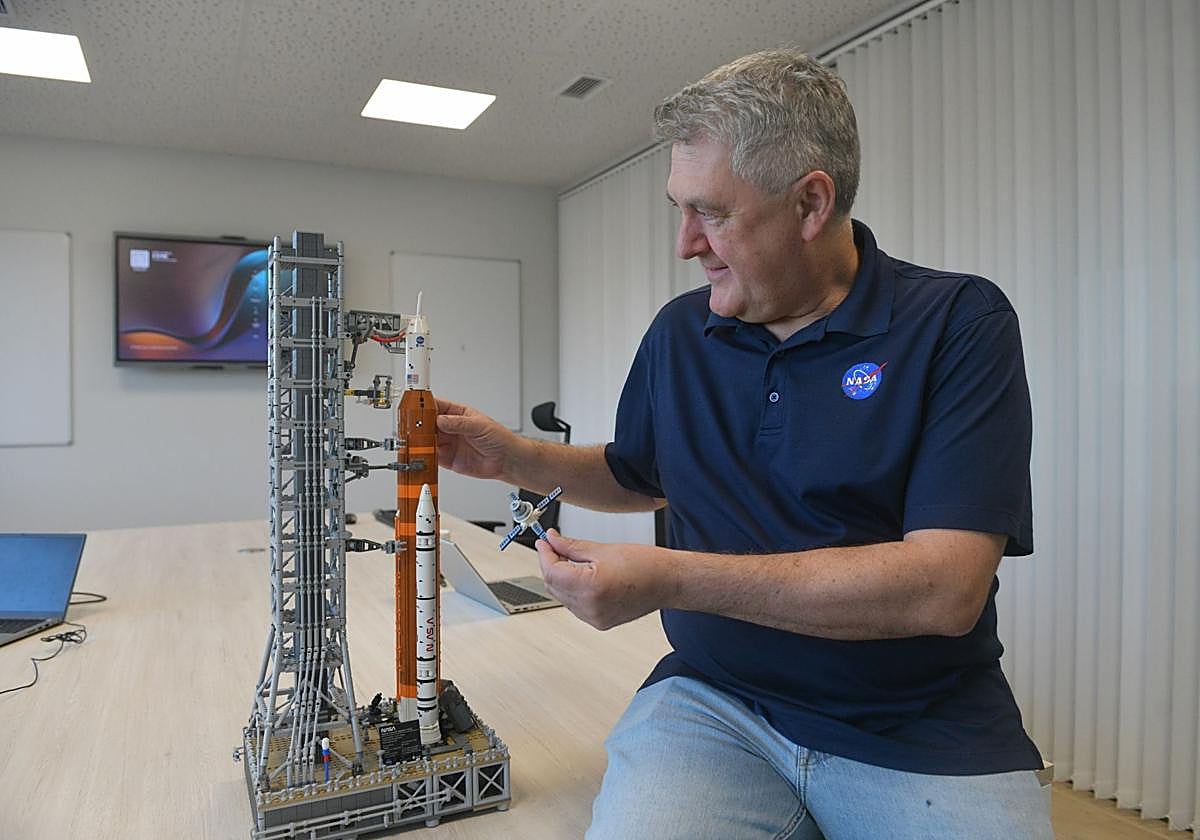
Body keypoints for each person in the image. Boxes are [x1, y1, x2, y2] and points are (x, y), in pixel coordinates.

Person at [436, 49, 1050, 840]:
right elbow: (639, 474)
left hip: (921, 728)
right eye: (678, 209)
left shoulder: (959, 324)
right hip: (714, 703)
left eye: (713, 214)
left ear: (810, 204)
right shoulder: (681, 333)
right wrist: (515, 457)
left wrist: (671, 579)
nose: (686, 243)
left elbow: (944, 588)